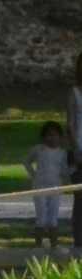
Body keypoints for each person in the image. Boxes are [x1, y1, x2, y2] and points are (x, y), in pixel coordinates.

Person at [23, 122, 70, 249]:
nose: (52, 138)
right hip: (39, 187)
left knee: (53, 218)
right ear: (43, 137)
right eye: (49, 135)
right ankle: (38, 246)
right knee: (41, 217)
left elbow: (65, 170)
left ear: (60, 137)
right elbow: (27, 161)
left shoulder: (62, 153)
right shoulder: (38, 149)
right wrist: (33, 175)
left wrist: (68, 179)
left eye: (55, 135)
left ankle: (54, 246)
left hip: (56, 187)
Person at [67, 52, 82, 253]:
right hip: (81, 150)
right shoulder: (75, 93)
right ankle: (79, 244)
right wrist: (76, 149)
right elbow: (70, 124)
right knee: (80, 201)